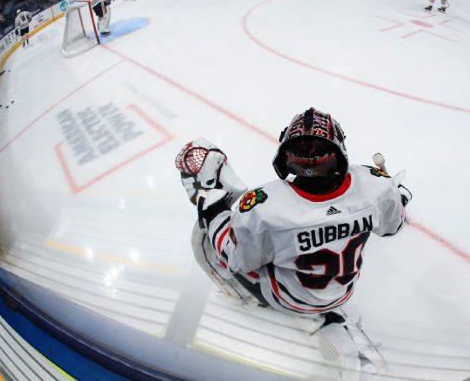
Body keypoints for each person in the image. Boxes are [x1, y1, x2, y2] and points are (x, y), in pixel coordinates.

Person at [176, 108, 412, 375]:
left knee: (203, 236)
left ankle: (244, 295)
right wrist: (394, 195)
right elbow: (394, 226)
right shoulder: (376, 185)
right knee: (259, 233)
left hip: (288, 297)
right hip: (343, 291)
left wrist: (212, 211)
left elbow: (236, 260)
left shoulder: (265, 208)